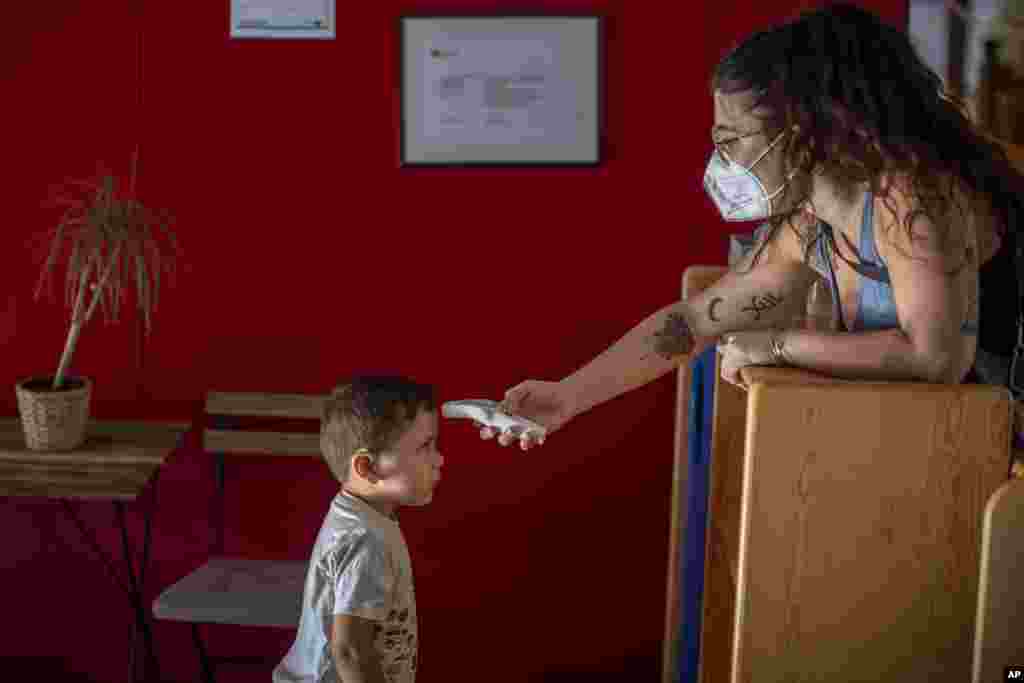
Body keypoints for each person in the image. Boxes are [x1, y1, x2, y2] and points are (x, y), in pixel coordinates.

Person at [476, 2, 1024, 451]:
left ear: (805, 128)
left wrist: (778, 345)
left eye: (733, 136)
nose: (722, 156)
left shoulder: (911, 195)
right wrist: (569, 396)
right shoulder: (813, 228)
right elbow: (692, 323)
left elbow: (933, 357)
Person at [274, 375, 443, 683]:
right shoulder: (366, 539)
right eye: (425, 447)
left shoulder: (363, 516)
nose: (439, 460)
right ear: (366, 467)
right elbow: (351, 650)